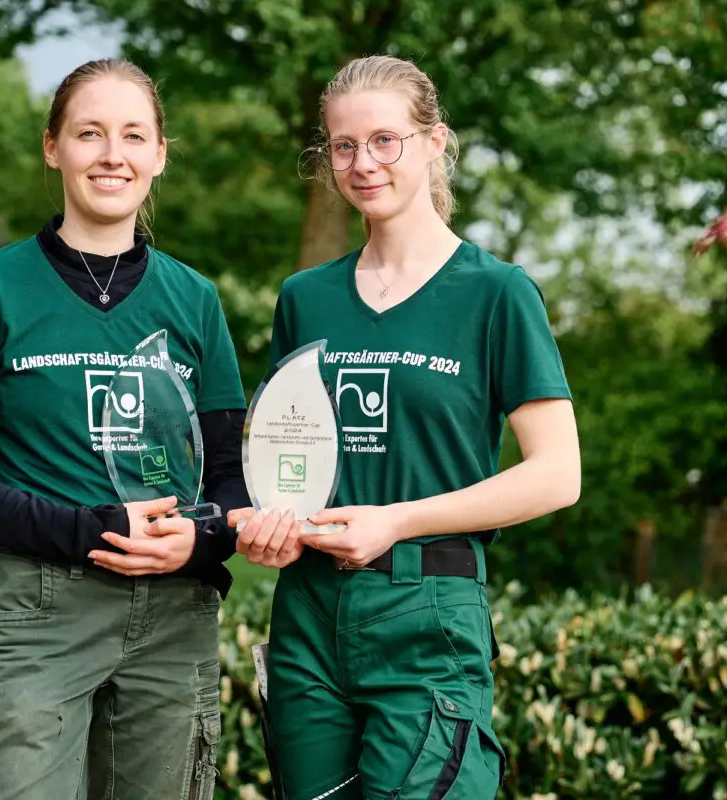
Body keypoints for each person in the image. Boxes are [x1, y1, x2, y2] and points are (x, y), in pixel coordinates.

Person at [235, 54, 581, 799]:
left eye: (385, 140)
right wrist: (272, 525)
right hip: (308, 615)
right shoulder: (304, 299)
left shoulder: (497, 294)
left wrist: (396, 520)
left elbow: (557, 474)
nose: (364, 163)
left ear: (434, 143)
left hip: (429, 612)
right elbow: (286, 458)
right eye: (344, 145)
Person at [0, 58, 253, 800]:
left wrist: (205, 535)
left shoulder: (195, 301)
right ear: (52, 147)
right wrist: (86, 528)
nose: (112, 154)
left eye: (133, 135)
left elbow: (233, 477)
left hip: (174, 611)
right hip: (37, 608)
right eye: (89, 133)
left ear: (159, 155)